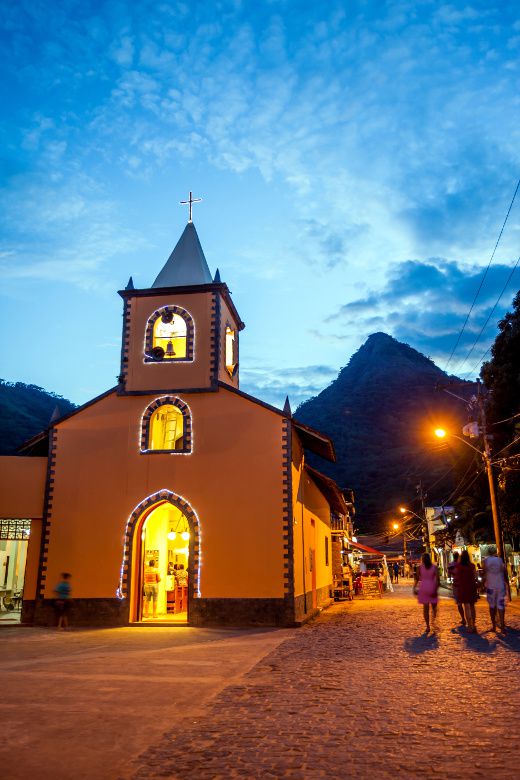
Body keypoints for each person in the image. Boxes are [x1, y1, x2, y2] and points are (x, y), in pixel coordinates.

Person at [484, 548, 508, 632]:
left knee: (492, 606)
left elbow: (484, 571)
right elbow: (503, 571)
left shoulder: (486, 561)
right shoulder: (500, 560)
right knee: (500, 605)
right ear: (495, 552)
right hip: (500, 585)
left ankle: (494, 626)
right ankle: (502, 626)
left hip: (490, 586)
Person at [414, 553, 439, 633]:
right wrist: (436, 588)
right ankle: (433, 619)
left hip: (424, 588)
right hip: (432, 587)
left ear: (422, 559)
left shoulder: (419, 568)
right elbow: (438, 580)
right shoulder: (434, 567)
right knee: (434, 607)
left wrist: (414, 588)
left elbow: (417, 579)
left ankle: (428, 626)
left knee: (425, 609)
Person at [456, 550, 478, 633]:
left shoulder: (459, 566)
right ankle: (474, 624)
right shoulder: (472, 566)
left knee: (467, 607)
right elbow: (475, 576)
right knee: (472, 606)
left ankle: (469, 626)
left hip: (463, 587)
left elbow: (457, 577)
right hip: (471, 586)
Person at [447, 552, 466, 626]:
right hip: (463, 584)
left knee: (459, 603)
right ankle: (467, 618)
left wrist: (449, 582)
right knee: (466, 602)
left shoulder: (451, 565)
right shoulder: (462, 564)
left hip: (456, 584)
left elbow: (449, 574)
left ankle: (463, 618)